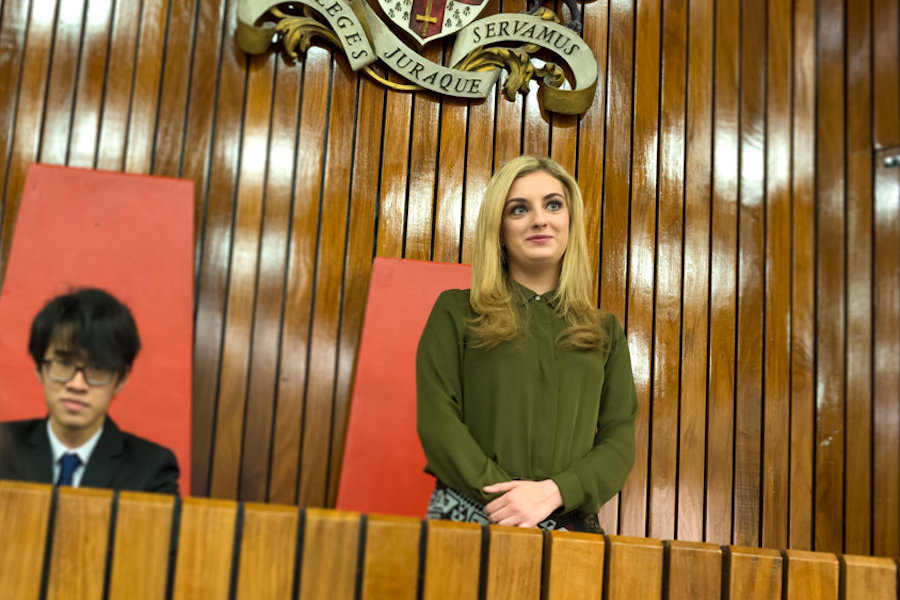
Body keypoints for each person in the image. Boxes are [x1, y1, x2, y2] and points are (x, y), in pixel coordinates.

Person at [416, 155, 637, 532]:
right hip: (471, 516)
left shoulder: (605, 331)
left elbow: (619, 439)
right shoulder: (455, 311)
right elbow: (439, 420)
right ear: (499, 229)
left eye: (553, 204)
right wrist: (505, 500)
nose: (540, 219)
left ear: (570, 221)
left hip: (570, 525)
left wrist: (554, 492)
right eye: (519, 209)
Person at [0, 288, 179, 494]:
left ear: (121, 380)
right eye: (64, 363)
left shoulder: (151, 470)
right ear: (39, 370)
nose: (77, 385)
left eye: (98, 368)